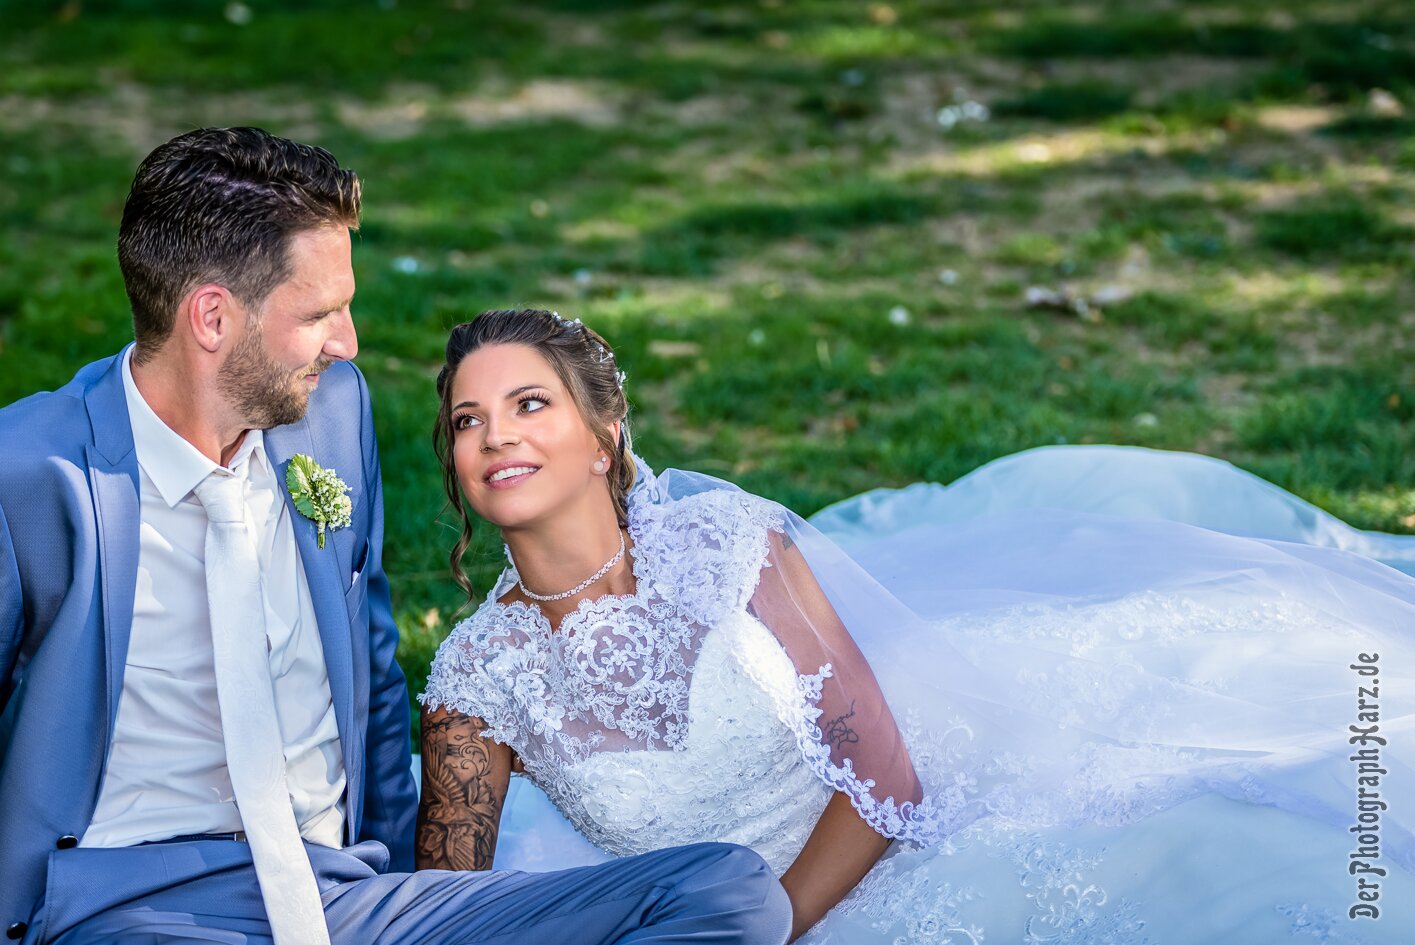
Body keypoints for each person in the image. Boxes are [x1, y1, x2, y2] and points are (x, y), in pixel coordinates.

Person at [0, 129, 793, 945]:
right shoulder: (28, 475)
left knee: (727, 891)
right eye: (320, 314)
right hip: (135, 907)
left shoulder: (332, 413)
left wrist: (403, 888)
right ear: (212, 317)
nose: (346, 342)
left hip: (343, 896)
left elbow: (374, 678)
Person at [420, 307, 1415, 943]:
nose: (496, 434)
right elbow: (439, 914)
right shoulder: (476, 681)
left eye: (528, 404)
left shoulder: (723, 547)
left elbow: (883, 776)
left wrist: (770, 930)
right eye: (468, 420)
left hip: (891, 856)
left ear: (602, 439)